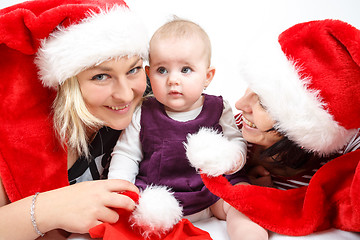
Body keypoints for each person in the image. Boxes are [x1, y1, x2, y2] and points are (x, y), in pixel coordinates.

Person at [0, 0, 150, 239]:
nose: (125, 94)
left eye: (133, 69)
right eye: (101, 76)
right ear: (64, 83)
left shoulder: (148, 104)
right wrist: (47, 209)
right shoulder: (11, 151)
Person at [108, 18, 268, 240]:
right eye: (162, 70)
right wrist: (120, 189)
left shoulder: (218, 107)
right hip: (159, 195)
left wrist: (231, 159)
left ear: (207, 76)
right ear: (148, 74)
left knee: (244, 202)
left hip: (213, 192)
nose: (173, 80)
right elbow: (126, 154)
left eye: (186, 69)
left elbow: (236, 141)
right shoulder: (143, 112)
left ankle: (249, 236)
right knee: (133, 219)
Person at [197, 19, 360, 236]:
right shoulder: (228, 130)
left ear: (302, 126)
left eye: (263, 103)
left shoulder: (338, 149)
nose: (239, 104)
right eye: (251, 88)